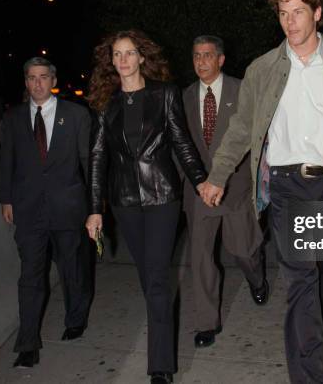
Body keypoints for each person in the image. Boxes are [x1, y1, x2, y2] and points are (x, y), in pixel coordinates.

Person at [200, 0, 323, 383]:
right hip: (285, 186)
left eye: (298, 11)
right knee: (302, 281)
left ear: (317, 13)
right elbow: (241, 128)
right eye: (283, 14)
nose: (290, 22)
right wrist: (218, 174)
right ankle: (314, 375)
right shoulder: (262, 69)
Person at [85, 29, 206, 384]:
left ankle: (160, 367)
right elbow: (96, 159)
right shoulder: (106, 104)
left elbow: (182, 142)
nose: (122, 60)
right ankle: (161, 346)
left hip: (162, 198)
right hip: (125, 202)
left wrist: (200, 181)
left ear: (141, 57)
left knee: (155, 280)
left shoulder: (164, 94)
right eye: (116, 54)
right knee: (148, 279)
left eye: (128, 53)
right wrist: (95, 209)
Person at [0, 57, 91, 368]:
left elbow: (88, 164)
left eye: (42, 77)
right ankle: (27, 343)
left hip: (68, 206)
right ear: (25, 82)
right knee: (30, 276)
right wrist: (6, 199)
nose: (37, 83)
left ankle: (75, 318)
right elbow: (6, 162)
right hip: (28, 210)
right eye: (31, 77)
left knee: (72, 268)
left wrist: (93, 207)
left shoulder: (76, 115)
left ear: (53, 79)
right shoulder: (11, 119)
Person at [182, 35, 267, 349]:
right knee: (201, 257)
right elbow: (183, 146)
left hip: (235, 188)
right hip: (200, 190)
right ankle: (207, 323)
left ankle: (257, 279)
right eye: (196, 55)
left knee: (243, 249)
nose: (201, 61)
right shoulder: (185, 97)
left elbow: (258, 137)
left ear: (220, 60)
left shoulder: (242, 90)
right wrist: (192, 184)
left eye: (207, 55)